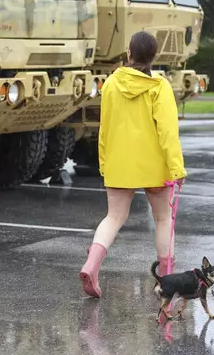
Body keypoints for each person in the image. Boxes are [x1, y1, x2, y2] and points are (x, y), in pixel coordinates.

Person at [78, 31, 187, 298]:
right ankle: (166, 281)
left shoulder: (112, 84)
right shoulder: (159, 87)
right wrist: (177, 168)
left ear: (129, 53)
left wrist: (104, 162)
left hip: (119, 162)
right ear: (154, 57)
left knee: (113, 217)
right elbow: (168, 132)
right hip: (155, 165)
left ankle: (92, 264)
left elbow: (105, 128)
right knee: (162, 218)